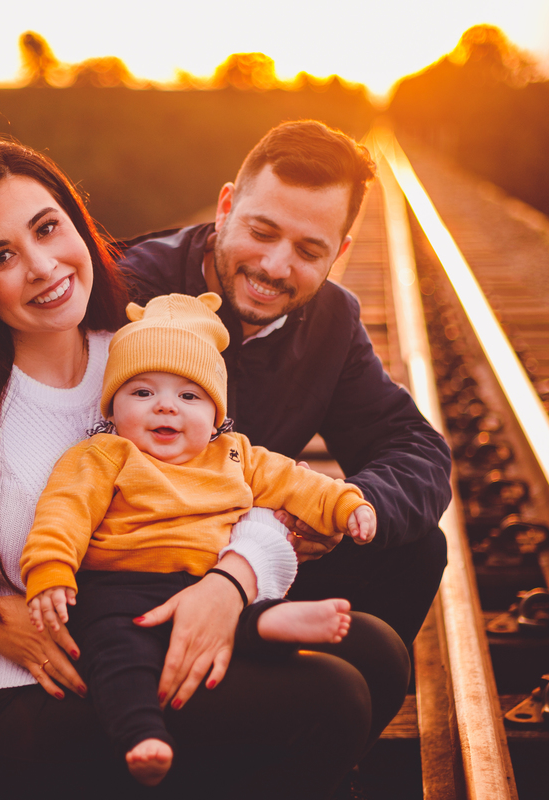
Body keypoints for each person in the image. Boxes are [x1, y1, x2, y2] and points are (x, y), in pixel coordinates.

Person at [0, 139, 410, 799]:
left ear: (77, 225)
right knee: (330, 699)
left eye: (47, 228)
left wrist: (232, 580)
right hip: (20, 702)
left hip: (145, 638)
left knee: (376, 652)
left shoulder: (135, 361)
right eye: (0, 257)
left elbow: (236, 478)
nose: (41, 266)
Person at [119, 120, 453, 648]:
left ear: (339, 252)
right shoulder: (132, 288)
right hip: (137, 564)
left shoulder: (332, 321)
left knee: (417, 552)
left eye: (308, 250)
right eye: (262, 232)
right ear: (226, 206)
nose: (275, 266)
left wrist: (347, 509)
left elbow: (413, 446)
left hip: (260, 561)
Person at [21, 291, 375, 786]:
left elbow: (297, 483)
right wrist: (50, 570)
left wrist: (346, 504)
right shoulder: (104, 456)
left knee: (235, 622)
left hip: (205, 581)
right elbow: (64, 512)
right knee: (116, 653)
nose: (166, 406)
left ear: (215, 414)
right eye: (142, 392)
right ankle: (143, 735)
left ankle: (274, 621)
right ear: (113, 407)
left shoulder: (234, 454)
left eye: (189, 396)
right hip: (121, 589)